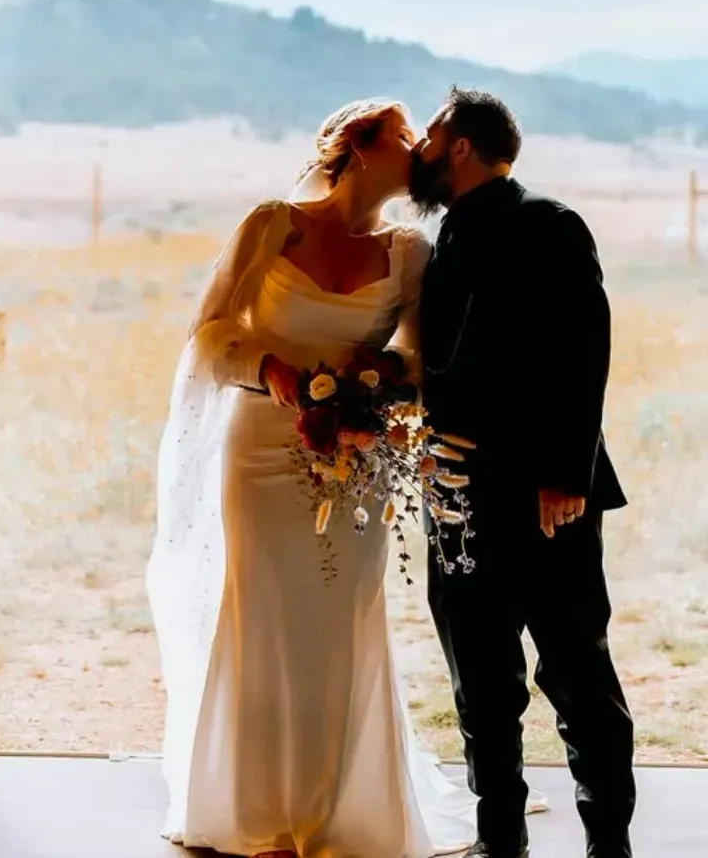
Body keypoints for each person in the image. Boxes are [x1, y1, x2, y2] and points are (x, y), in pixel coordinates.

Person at [147, 98, 545, 858]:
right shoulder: (274, 225)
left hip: (354, 456)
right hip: (258, 448)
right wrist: (271, 370)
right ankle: (261, 809)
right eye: (403, 136)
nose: (418, 149)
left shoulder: (408, 252)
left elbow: (419, 357)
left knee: (341, 619)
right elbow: (209, 335)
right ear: (361, 148)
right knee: (262, 614)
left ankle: (335, 807)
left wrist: (376, 375)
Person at [411, 87, 636, 858]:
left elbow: (585, 349)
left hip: (547, 498)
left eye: (430, 135)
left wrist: (566, 474)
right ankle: (499, 842)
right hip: (456, 499)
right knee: (480, 680)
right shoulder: (441, 236)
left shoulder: (550, 222)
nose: (419, 150)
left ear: (460, 146)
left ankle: (610, 844)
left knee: (576, 673)